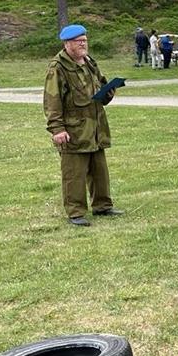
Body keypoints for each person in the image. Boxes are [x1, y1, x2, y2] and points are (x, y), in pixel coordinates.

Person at [43, 23, 124, 227]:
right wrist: (57, 129)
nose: (83, 45)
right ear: (67, 44)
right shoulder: (58, 68)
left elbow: (101, 85)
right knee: (74, 173)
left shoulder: (89, 62)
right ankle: (76, 211)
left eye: (85, 41)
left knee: (99, 170)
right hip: (73, 128)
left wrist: (109, 90)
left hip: (95, 126)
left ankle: (103, 205)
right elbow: (52, 100)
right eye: (79, 42)